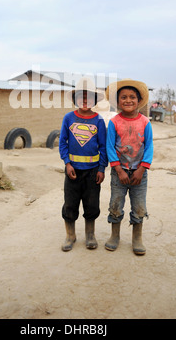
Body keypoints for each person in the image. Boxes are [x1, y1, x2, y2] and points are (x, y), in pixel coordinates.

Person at [105, 79, 153, 255]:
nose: (128, 100)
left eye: (132, 97)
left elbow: (149, 147)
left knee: (139, 206)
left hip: (139, 174)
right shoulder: (114, 122)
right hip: (119, 173)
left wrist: (142, 169)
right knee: (115, 204)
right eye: (123, 97)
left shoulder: (145, 122)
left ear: (139, 101)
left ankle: (137, 239)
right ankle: (115, 236)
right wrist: (118, 169)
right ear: (118, 101)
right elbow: (109, 146)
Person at [59, 77, 108, 251]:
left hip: (93, 171)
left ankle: (90, 235)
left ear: (95, 100)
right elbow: (62, 143)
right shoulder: (68, 118)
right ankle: (70, 235)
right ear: (75, 99)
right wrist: (67, 163)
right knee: (70, 203)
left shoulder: (99, 121)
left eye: (89, 97)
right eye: (81, 96)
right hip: (73, 171)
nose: (85, 100)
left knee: (92, 203)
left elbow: (104, 147)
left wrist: (101, 168)